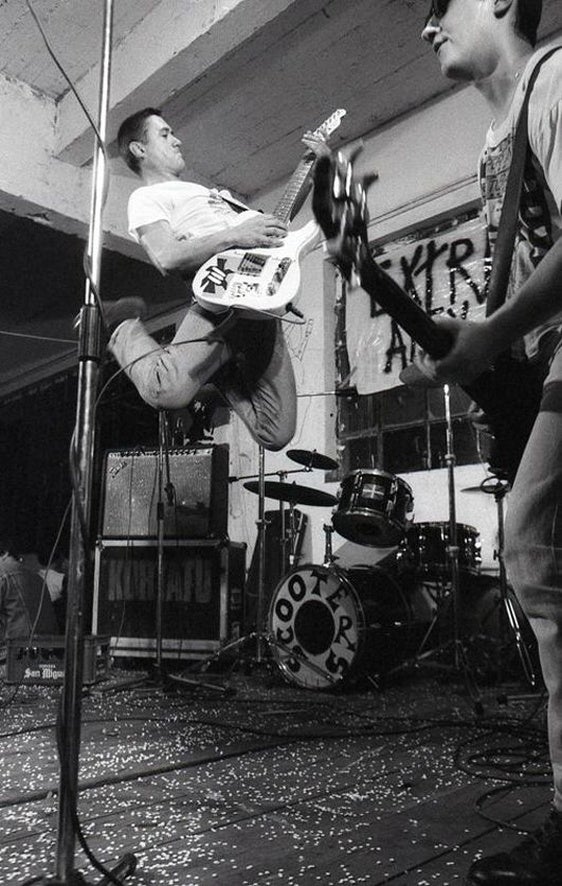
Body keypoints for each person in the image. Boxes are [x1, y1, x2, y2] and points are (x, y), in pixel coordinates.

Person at [415, 1, 562, 883]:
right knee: (539, 555)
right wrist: (483, 350)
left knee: (534, 543)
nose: (427, 24)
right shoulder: (491, 152)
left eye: (443, 4)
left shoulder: (556, 79)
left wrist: (499, 326)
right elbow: (517, 306)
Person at [103, 108, 327, 452]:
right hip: (219, 303)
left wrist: (318, 167)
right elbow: (166, 256)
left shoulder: (217, 196)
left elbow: (274, 228)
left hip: (263, 307)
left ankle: (218, 370)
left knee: (277, 433)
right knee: (167, 389)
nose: (177, 140)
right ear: (138, 149)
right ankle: (124, 328)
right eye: (164, 134)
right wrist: (235, 235)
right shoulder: (147, 198)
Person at [0, 539, 59, 642]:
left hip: (15, 651)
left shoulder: (3, 572)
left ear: (5, 554)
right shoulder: (38, 578)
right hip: (47, 650)